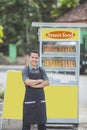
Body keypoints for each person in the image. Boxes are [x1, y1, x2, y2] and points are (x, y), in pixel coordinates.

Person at [22, 50, 50, 130]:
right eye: (32, 57)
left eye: (36, 58)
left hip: (40, 100)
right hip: (29, 100)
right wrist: (40, 80)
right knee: (26, 124)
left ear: (39, 58)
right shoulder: (25, 70)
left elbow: (47, 82)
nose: (34, 59)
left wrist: (34, 86)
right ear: (29, 58)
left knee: (42, 124)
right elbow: (27, 82)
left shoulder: (41, 70)